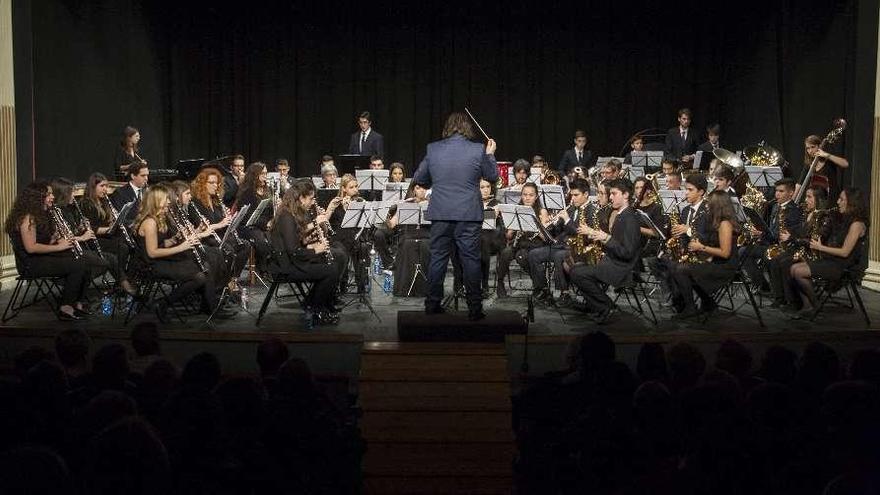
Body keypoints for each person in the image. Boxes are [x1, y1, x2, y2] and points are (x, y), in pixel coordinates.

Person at [412, 111, 498, 319]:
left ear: (448, 127)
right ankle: (475, 309)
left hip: (441, 212)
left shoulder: (433, 149)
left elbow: (419, 178)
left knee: (438, 259)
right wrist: (490, 154)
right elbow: (492, 176)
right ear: (467, 128)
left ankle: (432, 305)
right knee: (470, 260)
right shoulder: (478, 150)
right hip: (468, 214)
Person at [133, 184, 221, 322]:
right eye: (166, 199)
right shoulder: (150, 222)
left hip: (162, 259)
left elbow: (162, 243)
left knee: (204, 269)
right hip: (152, 264)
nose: (169, 202)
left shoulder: (158, 218)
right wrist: (182, 246)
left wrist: (176, 238)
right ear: (156, 201)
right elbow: (152, 253)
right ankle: (165, 303)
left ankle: (208, 307)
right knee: (201, 274)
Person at [5, 182, 92, 320]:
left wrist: (54, 238)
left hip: (41, 257)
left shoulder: (38, 215)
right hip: (31, 264)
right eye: (49, 194)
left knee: (84, 260)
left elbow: (40, 243)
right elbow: (31, 247)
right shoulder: (28, 218)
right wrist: (59, 246)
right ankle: (66, 307)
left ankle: (77, 302)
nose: (52, 197)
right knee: (77, 265)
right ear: (37, 198)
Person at [268, 180, 341, 326]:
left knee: (333, 261)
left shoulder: (292, 213)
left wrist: (307, 240)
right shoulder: (286, 216)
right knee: (330, 271)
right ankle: (315, 310)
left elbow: (294, 243)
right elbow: (293, 252)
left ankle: (316, 305)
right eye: (311, 198)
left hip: (292, 261)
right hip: (286, 267)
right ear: (301, 198)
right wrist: (316, 249)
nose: (313, 202)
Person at [569, 178, 642, 323]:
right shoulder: (621, 214)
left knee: (578, 273)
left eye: (614, 194)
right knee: (576, 268)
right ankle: (597, 306)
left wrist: (606, 238)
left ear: (626, 195)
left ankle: (606, 306)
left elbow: (627, 253)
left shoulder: (630, 218)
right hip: (612, 260)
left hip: (622, 268)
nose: (610, 197)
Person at [787, 187, 866, 318]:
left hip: (843, 266)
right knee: (793, 268)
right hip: (833, 260)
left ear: (852, 202)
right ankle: (808, 306)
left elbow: (845, 252)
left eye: (842, 199)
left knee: (798, 271)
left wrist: (820, 247)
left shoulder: (857, 225)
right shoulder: (845, 219)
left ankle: (815, 305)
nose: (838, 202)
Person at [670, 189, 740, 318]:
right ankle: (709, 303)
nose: (706, 205)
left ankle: (691, 307)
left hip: (724, 266)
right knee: (678, 266)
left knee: (681, 270)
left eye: (709, 203)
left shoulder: (725, 224)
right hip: (714, 261)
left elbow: (725, 253)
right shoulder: (716, 222)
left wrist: (701, 247)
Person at [527, 178, 592, 307]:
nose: (572, 199)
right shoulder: (572, 208)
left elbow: (581, 233)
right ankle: (543, 289)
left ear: (586, 194)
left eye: (576, 195)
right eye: (571, 195)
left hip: (578, 248)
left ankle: (565, 293)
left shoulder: (591, 210)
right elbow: (558, 230)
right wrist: (552, 222)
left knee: (558, 256)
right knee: (534, 254)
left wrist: (567, 220)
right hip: (561, 245)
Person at [768, 185, 829, 308]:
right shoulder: (806, 213)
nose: (805, 200)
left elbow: (813, 240)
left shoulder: (823, 217)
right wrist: (791, 233)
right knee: (776, 259)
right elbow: (801, 231)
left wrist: (792, 238)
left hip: (814, 254)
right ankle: (782, 298)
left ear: (818, 199)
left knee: (785, 262)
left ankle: (794, 301)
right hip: (801, 249)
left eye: (809, 197)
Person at [78, 173, 135, 294]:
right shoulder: (86, 203)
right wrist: (108, 228)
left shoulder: (104, 201)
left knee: (127, 243)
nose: (105, 189)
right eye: (102, 186)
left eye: (106, 186)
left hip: (105, 237)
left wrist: (115, 220)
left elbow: (107, 222)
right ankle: (122, 282)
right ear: (93, 187)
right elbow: (90, 228)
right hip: (92, 240)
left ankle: (123, 279)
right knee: (121, 247)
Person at [495, 182, 548, 298]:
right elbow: (508, 236)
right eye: (524, 195)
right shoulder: (516, 210)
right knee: (505, 253)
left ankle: (539, 285)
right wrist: (513, 227)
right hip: (519, 244)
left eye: (531, 195)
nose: (527, 198)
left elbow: (545, 237)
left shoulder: (541, 212)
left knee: (521, 256)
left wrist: (534, 226)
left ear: (536, 196)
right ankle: (500, 283)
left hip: (535, 245)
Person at [234, 162, 274, 273]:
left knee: (279, 236)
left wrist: (276, 209)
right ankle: (262, 268)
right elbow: (247, 216)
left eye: (266, 173)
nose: (265, 177)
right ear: (255, 176)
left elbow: (271, 211)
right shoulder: (247, 192)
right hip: (248, 226)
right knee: (262, 242)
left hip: (266, 223)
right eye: (262, 174)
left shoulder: (268, 190)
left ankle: (273, 266)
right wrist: (266, 224)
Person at [795, 134, 849, 200]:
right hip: (818, 200)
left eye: (813, 147)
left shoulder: (828, 160)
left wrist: (827, 155)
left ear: (819, 146)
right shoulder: (808, 164)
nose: (810, 151)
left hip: (832, 197)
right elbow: (799, 184)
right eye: (808, 148)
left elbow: (845, 164)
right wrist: (792, 201)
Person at [110, 161, 149, 225]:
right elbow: (119, 220)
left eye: (147, 175)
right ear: (133, 176)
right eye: (143, 176)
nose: (146, 178)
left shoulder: (148, 191)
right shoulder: (120, 193)